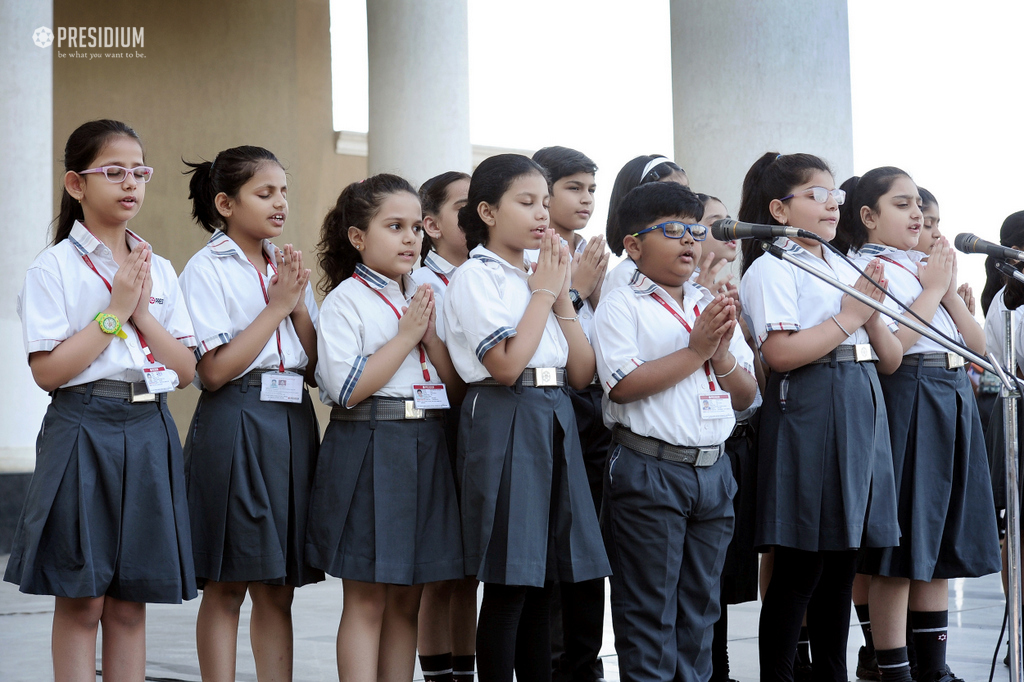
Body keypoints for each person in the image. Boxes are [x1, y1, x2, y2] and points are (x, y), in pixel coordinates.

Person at [4, 119, 198, 681]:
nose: (130, 183)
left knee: (131, 599)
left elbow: (185, 369)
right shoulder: (53, 268)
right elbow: (48, 373)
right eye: (114, 172)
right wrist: (115, 309)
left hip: (150, 424)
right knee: (83, 597)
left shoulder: (158, 268)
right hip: (83, 423)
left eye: (139, 171)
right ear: (75, 184)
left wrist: (140, 310)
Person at [442, 154, 610, 682]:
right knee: (511, 582)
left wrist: (561, 297)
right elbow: (508, 366)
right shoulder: (477, 277)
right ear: (487, 212)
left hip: (554, 412)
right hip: (504, 413)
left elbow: (581, 373)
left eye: (544, 202)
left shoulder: (537, 277)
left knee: (544, 579)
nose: (542, 214)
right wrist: (543, 291)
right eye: (526, 201)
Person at [738, 152, 902, 682]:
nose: (833, 205)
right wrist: (852, 313)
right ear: (779, 210)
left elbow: (892, 356)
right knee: (801, 564)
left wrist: (869, 313)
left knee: (841, 563)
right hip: (810, 402)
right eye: (817, 194)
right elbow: (780, 354)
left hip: (859, 396)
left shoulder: (843, 261)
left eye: (835, 195)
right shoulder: (773, 266)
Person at [835, 167, 1001, 682]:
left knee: (939, 543)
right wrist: (932, 288)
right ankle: (892, 665)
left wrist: (946, 290)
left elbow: (978, 348)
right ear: (867, 217)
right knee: (903, 545)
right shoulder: (865, 267)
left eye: (920, 209)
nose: (916, 217)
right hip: (909, 392)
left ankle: (934, 666)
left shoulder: (919, 267)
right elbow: (892, 351)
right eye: (903, 206)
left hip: (950, 394)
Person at [592, 180, 757, 681]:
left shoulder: (707, 301)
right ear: (635, 245)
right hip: (650, 468)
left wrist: (721, 351)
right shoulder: (622, 304)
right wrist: (696, 351)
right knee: (650, 616)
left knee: (701, 614)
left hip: (712, 469)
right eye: (672, 231)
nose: (689, 241)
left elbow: (747, 395)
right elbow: (622, 386)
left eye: (693, 230)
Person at [307, 174, 465, 682]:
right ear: (358, 237)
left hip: (428, 442)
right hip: (371, 442)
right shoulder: (345, 301)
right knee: (368, 598)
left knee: (408, 599)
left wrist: (431, 337)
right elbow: (347, 387)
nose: (409, 239)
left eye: (416, 227)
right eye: (393, 226)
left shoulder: (424, 290)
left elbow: (453, 386)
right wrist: (406, 336)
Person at [179, 145, 322, 682]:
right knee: (226, 582)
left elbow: (313, 367)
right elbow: (213, 371)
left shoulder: (283, 264)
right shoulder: (206, 268)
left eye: (284, 191)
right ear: (225, 202)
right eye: (265, 193)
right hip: (236, 419)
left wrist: (299, 302)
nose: (280, 202)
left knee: (278, 584)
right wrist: (278, 305)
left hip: (292, 421)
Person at [532, 146, 610, 682]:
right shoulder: (531, 255)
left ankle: (585, 664)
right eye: (573, 188)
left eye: (591, 189)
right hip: (552, 411)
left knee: (589, 556)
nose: (585, 199)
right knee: (553, 560)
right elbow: (536, 335)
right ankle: (559, 663)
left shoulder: (600, 253)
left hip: (597, 416)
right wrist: (577, 290)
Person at [411, 170, 479, 682]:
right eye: (463, 204)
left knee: (471, 568)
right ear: (430, 225)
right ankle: (439, 672)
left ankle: (466, 668)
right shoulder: (419, 282)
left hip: (481, 426)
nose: (476, 210)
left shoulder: (493, 273)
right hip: (437, 425)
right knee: (441, 568)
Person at [695, 192, 763, 682]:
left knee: (720, 574)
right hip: (680, 449)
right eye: (716, 222)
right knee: (696, 581)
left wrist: (738, 334)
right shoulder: (641, 293)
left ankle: (718, 670)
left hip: (732, 442)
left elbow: (749, 392)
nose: (729, 229)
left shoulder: (724, 294)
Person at [604, 155, 689, 293]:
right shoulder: (626, 276)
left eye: (687, 190)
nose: (683, 201)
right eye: (670, 195)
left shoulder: (683, 271)